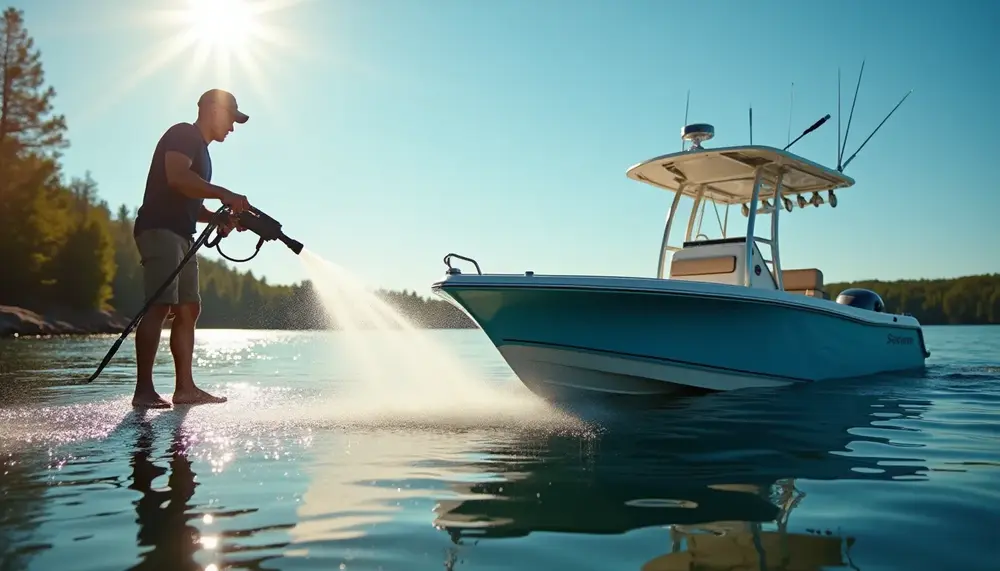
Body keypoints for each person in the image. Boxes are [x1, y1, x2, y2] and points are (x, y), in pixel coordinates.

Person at [130, 88, 252, 408]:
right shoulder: (184, 133)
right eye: (231, 118)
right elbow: (177, 178)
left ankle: (185, 388)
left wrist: (215, 218)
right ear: (212, 109)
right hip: (160, 229)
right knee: (159, 306)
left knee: (189, 309)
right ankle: (143, 391)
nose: (233, 126)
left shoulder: (204, 153)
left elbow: (190, 199)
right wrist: (224, 194)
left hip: (182, 235)